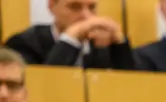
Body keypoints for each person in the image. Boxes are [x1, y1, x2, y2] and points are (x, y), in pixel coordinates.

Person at [3, 0, 135, 70]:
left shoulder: (105, 44)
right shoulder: (23, 43)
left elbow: (132, 89)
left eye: (92, 7)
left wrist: (120, 43)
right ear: (51, 5)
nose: (86, 16)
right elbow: (43, 87)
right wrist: (70, 39)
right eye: (75, 7)